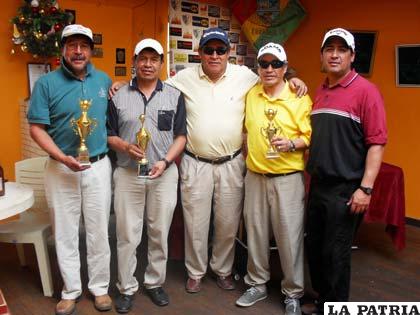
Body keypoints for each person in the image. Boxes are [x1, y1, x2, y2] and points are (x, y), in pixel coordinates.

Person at [110, 27, 307, 293]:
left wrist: (294, 78)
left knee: (227, 223)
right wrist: (123, 83)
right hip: (195, 162)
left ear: (229, 53)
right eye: (209, 50)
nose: (215, 55)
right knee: (195, 222)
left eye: (220, 50)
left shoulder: (246, 76)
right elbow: (150, 83)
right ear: (200, 53)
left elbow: (272, 74)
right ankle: (196, 271)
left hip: (231, 162)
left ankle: (223, 269)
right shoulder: (183, 78)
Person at [27, 24, 113, 315]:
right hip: (60, 168)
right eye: (72, 45)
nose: (78, 51)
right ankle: (71, 291)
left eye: (84, 46)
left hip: (98, 166)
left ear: (90, 50)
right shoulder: (46, 84)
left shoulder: (103, 80)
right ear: (63, 50)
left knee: (99, 230)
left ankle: (100, 289)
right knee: (64, 232)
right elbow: (36, 129)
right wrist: (61, 158)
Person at [304, 28, 387, 313]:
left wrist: (365, 188)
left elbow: (377, 143)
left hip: (346, 189)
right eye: (330, 49)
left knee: (336, 254)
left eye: (342, 49)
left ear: (352, 56)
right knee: (314, 248)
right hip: (317, 184)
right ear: (323, 55)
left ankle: (334, 308)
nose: (335, 54)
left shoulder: (366, 92)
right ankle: (322, 299)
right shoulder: (321, 89)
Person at [107, 39, 187, 313]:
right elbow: (108, 134)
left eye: (154, 59)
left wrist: (165, 162)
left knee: (159, 231)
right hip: (128, 174)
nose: (148, 64)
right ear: (134, 61)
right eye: (143, 58)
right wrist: (124, 146)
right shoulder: (117, 96)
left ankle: (154, 282)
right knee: (127, 234)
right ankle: (126, 287)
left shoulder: (174, 96)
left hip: (163, 174)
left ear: (161, 63)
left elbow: (181, 137)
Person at [235, 43, 311, 315]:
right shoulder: (252, 93)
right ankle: (257, 283)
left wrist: (291, 144)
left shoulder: (298, 95)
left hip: (287, 178)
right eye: (264, 64)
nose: (269, 69)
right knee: (256, 233)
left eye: (275, 64)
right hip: (255, 175)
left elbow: (309, 136)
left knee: (289, 238)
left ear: (285, 68)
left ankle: (293, 292)